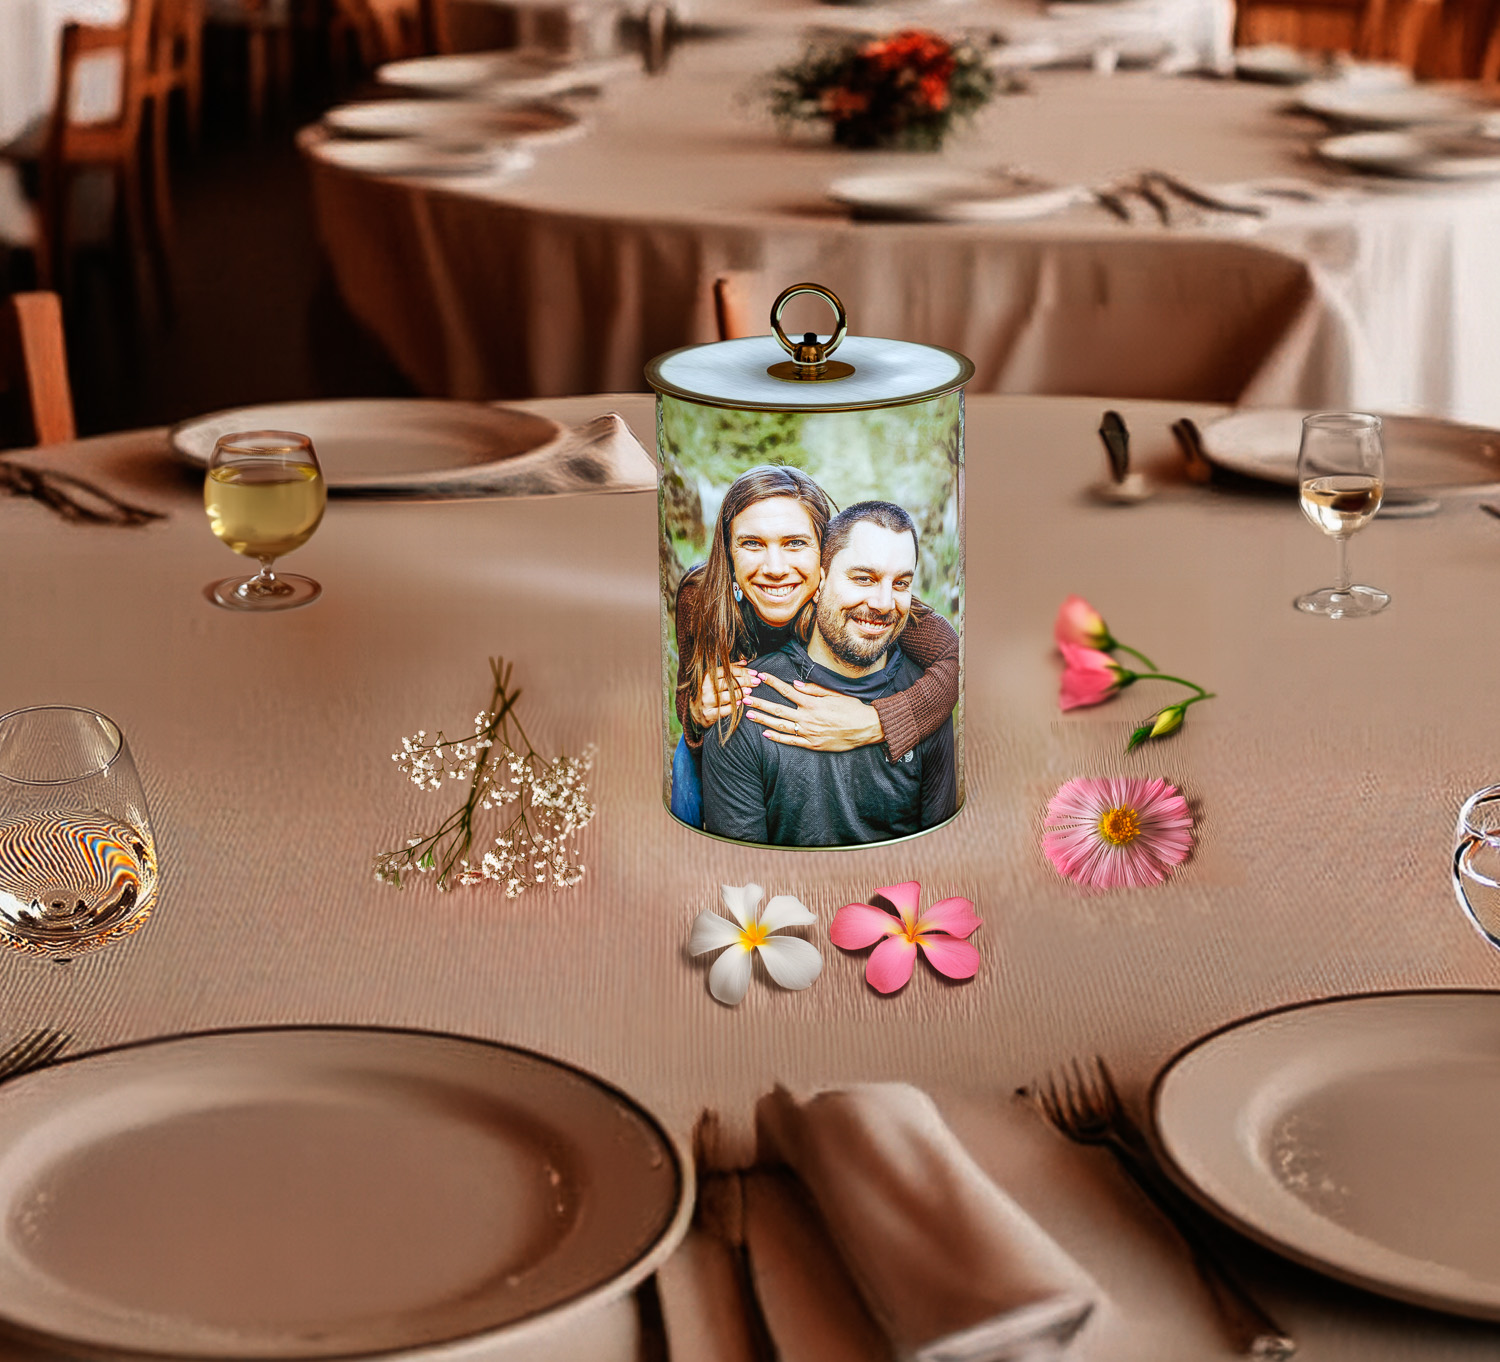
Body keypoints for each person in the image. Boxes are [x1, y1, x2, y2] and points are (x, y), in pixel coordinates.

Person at [670, 466, 959, 828]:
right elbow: (687, 686)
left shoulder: (867, 599)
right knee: (686, 761)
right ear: (728, 552)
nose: (775, 568)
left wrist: (878, 722)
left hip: (816, 724)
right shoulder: (700, 598)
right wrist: (697, 711)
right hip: (742, 740)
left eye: (795, 543)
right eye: (752, 543)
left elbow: (954, 658)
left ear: (825, 555)